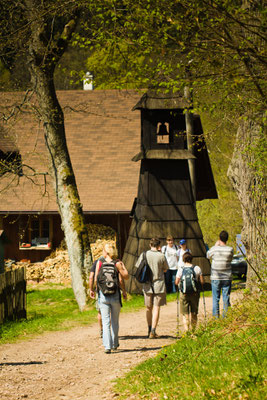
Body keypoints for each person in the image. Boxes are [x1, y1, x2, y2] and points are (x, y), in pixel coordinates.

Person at [93, 243, 128, 353]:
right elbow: (125, 277)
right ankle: (114, 344)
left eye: (103, 250)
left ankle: (107, 346)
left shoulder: (100, 262)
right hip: (115, 295)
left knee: (105, 321)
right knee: (115, 321)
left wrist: (96, 290)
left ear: (106, 252)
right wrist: (124, 292)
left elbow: (95, 279)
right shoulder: (117, 263)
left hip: (103, 295)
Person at [135, 237, 169, 339]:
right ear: (159, 246)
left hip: (147, 284)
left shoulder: (144, 254)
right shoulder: (161, 256)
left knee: (148, 308)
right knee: (156, 307)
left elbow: (138, 267)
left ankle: (149, 328)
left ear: (150, 245)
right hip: (158, 284)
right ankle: (153, 330)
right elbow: (166, 269)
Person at [207, 230, 234, 317]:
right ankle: (225, 317)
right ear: (227, 239)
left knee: (216, 298)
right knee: (226, 298)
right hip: (227, 277)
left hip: (216, 277)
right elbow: (230, 259)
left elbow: (207, 255)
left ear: (219, 238)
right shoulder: (230, 250)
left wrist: (215, 246)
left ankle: (216, 318)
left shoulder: (215, 249)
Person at [175, 252, 204, 332]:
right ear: (191, 259)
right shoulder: (197, 268)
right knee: (194, 313)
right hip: (195, 294)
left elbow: (176, 282)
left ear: (183, 259)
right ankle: (193, 331)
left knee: (185, 314)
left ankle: (187, 331)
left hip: (184, 294)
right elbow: (202, 282)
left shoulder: (181, 269)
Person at [89, 256, 105, 337]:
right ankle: (109, 330)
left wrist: (91, 289)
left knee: (100, 311)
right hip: (112, 290)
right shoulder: (114, 261)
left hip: (100, 290)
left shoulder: (97, 262)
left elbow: (91, 277)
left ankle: (102, 330)